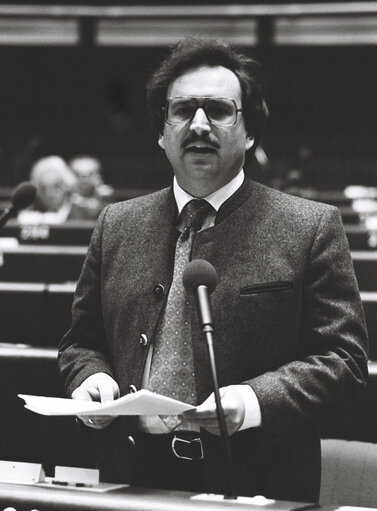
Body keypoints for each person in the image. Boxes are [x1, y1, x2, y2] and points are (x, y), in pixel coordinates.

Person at [58, 38, 368, 502]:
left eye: (219, 109)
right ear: (162, 132)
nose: (198, 124)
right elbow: (82, 342)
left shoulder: (309, 226)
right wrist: (90, 380)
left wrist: (252, 401)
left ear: (249, 133)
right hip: (130, 475)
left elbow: (343, 359)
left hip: (256, 480)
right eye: (183, 110)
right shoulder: (117, 224)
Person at [18, 155, 78, 224]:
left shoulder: (84, 213)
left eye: (56, 186)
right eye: (43, 188)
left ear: (67, 186)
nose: (49, 193)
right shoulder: (29, 211)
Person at [68, 155, 114, 220]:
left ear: (98, 176)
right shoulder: (64, 195)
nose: (84, 179)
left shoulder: (105, 195)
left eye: (90, 174)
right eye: (78, 174)